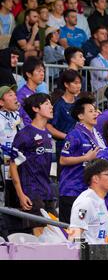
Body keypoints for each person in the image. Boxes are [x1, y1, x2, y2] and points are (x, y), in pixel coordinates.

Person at [10, 93, 55, 236]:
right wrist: (21, 194)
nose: (51, 107)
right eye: (46, 103)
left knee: (54, 233)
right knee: (39, 236)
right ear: (35, 108)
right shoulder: (25, 134)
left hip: (47, 191)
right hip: (31, 192)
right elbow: (13, 166)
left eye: (50, 103)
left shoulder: (48, 134)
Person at [59, 97, 106, 223]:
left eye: (95, 111)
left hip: (87, 191)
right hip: (72, 191)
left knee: (85, 231)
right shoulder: (74, 134)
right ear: (81, 116)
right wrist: (86, 158)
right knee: (71, 232)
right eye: (91, 111)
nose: (96, 114)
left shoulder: (96, 134)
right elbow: (63, 160)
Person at [68, 159, 108, 244]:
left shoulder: (99, 200)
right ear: (95, 178)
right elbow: (73, 238)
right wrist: (89, 246)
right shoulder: (85, 202)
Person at [47, 69, 81, 164]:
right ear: (66, 84)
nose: (79, 86)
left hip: (78, 145)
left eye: (80, 83)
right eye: (75, 83)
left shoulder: (79, 103)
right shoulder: (59, 105)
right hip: (63, 146)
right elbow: (49, 127)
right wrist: (67, 136)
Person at [0, 85, 23, 214]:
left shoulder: (17, 116)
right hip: (5, 166)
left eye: (14, 94)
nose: (15, 96)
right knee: (7, 202)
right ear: (1, 102)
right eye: (10, 95)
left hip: (20, 164)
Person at [16, 57, 45, 126]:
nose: (42, 74)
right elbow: (20, 116)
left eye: (43, 71)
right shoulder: (21, 94)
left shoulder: (36, 92)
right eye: (39, 71)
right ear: (28, 74)